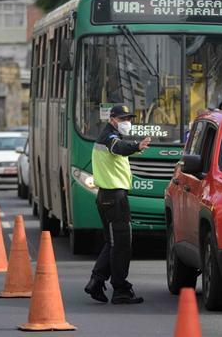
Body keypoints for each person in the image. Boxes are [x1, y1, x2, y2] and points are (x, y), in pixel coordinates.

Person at [85, 105, 150, 305]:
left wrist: (134, 148)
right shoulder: (110, 138)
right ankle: (120, 289)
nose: (127, 122)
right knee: (122, 244)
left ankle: (96, 281)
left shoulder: (110, 135)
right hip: (115, 198)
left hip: (107, 197)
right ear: (112, 119)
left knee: (112, 242)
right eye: (123, 119)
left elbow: (118, 151)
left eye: (128, 118)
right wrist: (136, 146)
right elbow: (117, 148)